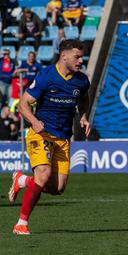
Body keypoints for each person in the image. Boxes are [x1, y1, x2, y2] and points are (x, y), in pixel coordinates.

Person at [8, 39, 91, 235]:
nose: (80, 61)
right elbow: (23, 104)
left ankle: (22, 180)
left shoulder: (82, 80)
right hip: (41, 133)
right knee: (43, 176)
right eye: (77, 57)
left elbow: (84, 98)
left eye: (82, 57)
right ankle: (21, 224)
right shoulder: (47, 76)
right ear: (64, 56)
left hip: (63, 138)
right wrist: (34, 121)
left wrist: (85, 116)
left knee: (58, 188)